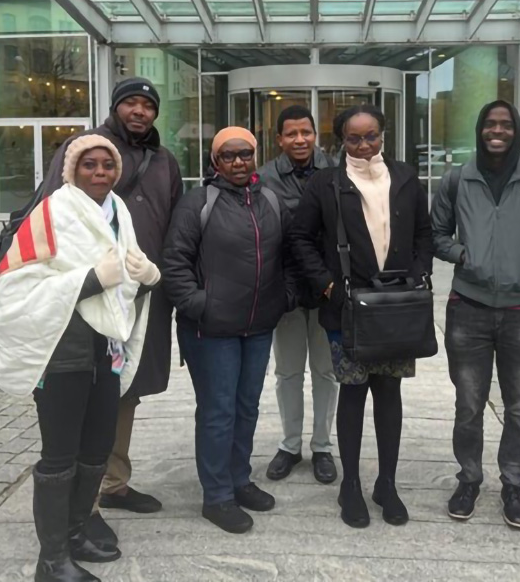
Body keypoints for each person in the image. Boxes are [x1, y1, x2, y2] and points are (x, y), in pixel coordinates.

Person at [0, 134, 162, 582]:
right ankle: (52, 558)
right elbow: (15, 284)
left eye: (107, 165)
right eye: (89, 165)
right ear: (71, 170)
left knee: (97, 448)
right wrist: (91, 279)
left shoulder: (119, 211)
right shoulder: (50, 213)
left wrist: (147, 276)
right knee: (60, 456)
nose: (99, 173)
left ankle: (78, 532)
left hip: (106, 350)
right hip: (61, 353)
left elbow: (128, 270)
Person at [38, 77, 183, 547]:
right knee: (87, 396)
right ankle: (86, 506)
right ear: (116, 107)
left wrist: (162, 279)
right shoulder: (83, 149)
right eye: (131, 103)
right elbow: (47, 212)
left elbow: (177, 222)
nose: (139, 111)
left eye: (147, 105)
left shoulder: (164, 161)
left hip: (138, 295)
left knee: (127, 388)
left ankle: (113, 483)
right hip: (84, 301)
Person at [290, 104, 434, 529]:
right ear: (341, 141)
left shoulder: (406, 177)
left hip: (396, 307)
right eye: (354, 138)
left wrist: (418, 271)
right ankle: (349, 484)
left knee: (389, 394)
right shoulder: (326, 183)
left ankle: (386, 484)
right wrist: (327, 285)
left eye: (371, 135)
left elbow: (424, 233)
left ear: (383, 134)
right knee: (353, 395)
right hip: (347, 307)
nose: (364, 144)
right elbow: (300, 239)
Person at [430, 100, 520, 529]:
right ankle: (469, 479)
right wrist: (462, 254)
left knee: (519, 407)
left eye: (505, 124)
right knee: (468, 405)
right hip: (467, 309)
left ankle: (514, 486)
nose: (497, 130)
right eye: (490, 123)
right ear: (479, 129)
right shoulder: (457, 179)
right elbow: (435, 234)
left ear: (517, 130)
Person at [161, 127, 298, 534]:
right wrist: (199, 304)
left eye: (245, 154)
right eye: (228, 156)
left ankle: (239, 480)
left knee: (246, 407)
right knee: (218, 412)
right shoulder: (198, 203)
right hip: (210, 330)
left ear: (256, 156)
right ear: (214, 161)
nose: (238, 162)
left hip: (257, 326)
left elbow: (291, 253)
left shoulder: (271, 200)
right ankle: (217, 495)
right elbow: (175, 263)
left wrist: (285, 296)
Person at [258, 105, 340, 484]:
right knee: (288, 372)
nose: (299, 139)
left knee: (326, 371)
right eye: (291, 133)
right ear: (279, 139)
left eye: (305, 132)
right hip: (286, 289)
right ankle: (290, 445)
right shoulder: (264, 178)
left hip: (328, 288)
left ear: (315, 134)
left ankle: (322, 445)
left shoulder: (337, 172)